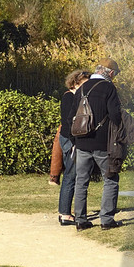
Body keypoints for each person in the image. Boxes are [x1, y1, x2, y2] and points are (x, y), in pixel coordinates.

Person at [68, 58, 126, 230]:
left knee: (81, 181)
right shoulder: (109, 88)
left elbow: (72, 115)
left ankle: (80, 219)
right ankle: (106, 220)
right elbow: (115, 115)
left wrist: (75, 141)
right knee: (110, 179)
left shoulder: (82, 87)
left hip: (82, 142)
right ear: (110, 73)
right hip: (102, 143)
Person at [51, 70, 91, 226]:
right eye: (84, 83)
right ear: (75, 83)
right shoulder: (69, 96)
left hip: (69, 139)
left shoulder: (74, 96)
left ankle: (65, 211)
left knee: (71, 176)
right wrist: (74, 142)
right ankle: (65, 214)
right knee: (71, 176)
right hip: (70, 139)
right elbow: (69, 122)